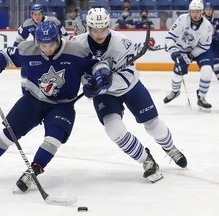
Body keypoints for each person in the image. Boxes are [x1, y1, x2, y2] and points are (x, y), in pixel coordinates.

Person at [0, 20, 112, 192]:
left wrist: (101, 75)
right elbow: (5, 56)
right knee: (9, 133)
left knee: (54, 138)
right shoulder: (27, 49)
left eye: (52, 44)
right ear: (37, 42)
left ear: (58, 39)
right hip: (33, 101)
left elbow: (96, 63)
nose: (48, 49)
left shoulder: (75, 51)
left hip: (63, 105)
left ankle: (33, 171)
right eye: (43, 45)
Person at [72, 8, 187, 183]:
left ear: (108, 26)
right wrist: (87, 85)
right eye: (95, 30)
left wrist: (103, 86)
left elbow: (128, 75)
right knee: (113, 129)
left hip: (130, 87)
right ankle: (146, 160)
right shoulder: (78, 45)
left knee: (153, 125)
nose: (99, 34)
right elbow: (75, 70)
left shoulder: (122, 43)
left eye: (102, 29)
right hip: (104, 95)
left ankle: (170, 148)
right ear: (88, 28)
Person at [163, 0, 214, 110]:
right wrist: (174, 51)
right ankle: (175, 91)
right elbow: (170, 37)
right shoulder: (182, 19)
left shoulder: (207, 26)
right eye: (193, 11)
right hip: (182, 50)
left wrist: (191, 56)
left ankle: (201, 97)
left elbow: (205, 46)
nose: (195, 14)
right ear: (189, 11)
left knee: (207, 71)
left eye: (197, 11)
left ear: (202, 12)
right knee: (177, 74)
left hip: (200, 51)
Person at [203, 2, 219, 80]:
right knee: (215, 58)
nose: (208, 11)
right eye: (207, 9)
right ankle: (218, 75)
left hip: (216, 41)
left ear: (212, 10)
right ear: (204, 10)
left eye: (210, 9)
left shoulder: (217, 17)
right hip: (209, 43)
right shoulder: (201, 20)